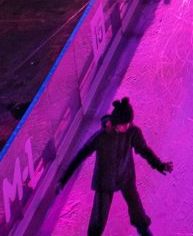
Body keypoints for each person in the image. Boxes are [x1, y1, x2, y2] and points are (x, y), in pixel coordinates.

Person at [57, 97, 172, 236]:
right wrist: (63, 180)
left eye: (129, 123)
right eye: (124, 124)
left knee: (137, 208)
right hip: (105, 180)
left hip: (126, 176)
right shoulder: (100, 138)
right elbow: (80, 156)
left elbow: (144, 150)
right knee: (99, 218)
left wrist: (159, 165)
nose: (127, 126)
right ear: (116, 123)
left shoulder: (132, 132)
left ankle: (144, 230)